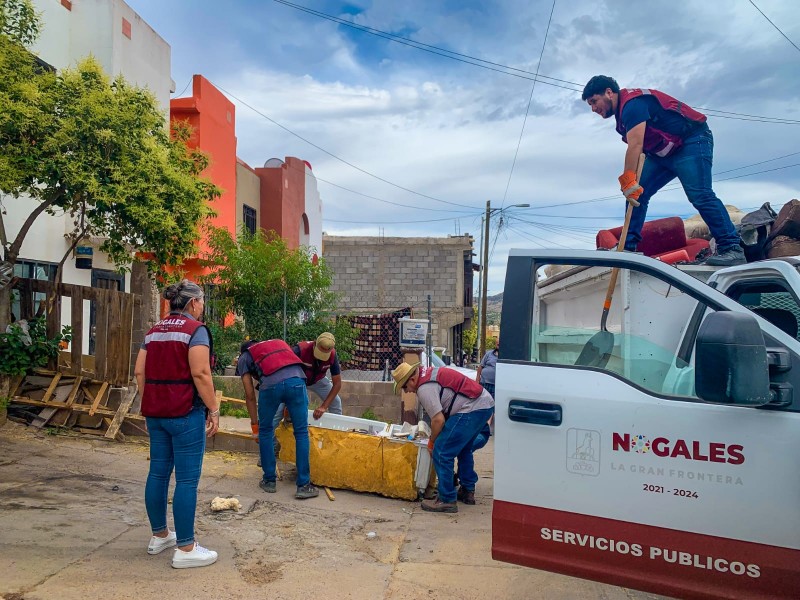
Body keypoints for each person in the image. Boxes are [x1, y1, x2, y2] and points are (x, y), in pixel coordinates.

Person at [581, 75, 745, 267]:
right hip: (664, 152)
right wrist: (631, 185)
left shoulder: (633, 105)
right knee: (637, 193)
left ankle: (731, 248)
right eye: (590, 105)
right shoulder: (622, 116)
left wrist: (627, 179)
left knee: (700, 195)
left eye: (594, 101)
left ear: (609, 93)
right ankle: (628, 248)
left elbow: (635, 145)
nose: (593, 109)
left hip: (692, 141)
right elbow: (640, 147)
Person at [134, 279, 220, 569]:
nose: (203, 306)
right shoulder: (196, 331)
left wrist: (150, 406)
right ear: (194, 303)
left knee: (157, 474)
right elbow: (201, 373)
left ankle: (160, 535)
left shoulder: (153, 331)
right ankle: (186, 547)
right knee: (186, 480)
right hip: (185, 414)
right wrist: (214, 409)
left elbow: (138, 372)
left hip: (156, 414)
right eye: (203, 301)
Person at [392, 361, 494, 513]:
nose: (407, 391)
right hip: (484, 404)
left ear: (412, 380)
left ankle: (446, 499)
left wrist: (432, 442)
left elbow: (438, 420)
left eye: (405, 387)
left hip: (472, 408)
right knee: (463, 449)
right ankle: (467, 489)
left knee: (442, 451)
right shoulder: (428, 374)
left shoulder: (424, 388)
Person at [237, 338, 319, 500]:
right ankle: (303, 485)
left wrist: (255, 426)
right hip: (297, 382)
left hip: (270, 385)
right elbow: (287, 369)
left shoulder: (245, 357)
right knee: (301, 432)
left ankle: (269, 481)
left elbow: (249, 395)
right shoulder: (278, 343)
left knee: (266, 431)